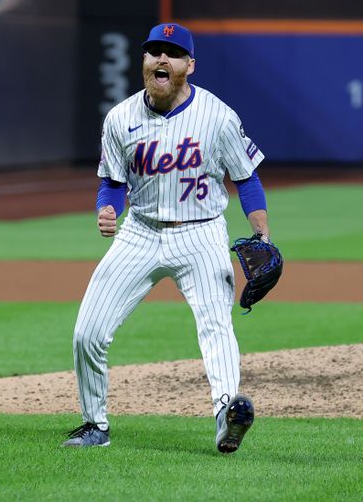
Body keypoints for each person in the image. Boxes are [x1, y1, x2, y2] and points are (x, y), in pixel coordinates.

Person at [63, 23, 270, 453]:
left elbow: (247, 179)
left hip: (201, 233)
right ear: (143, 61)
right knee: (87, 332)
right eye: (154, 51)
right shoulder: (120, 119)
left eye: (173, 53)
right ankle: (93, 425)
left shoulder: (217, 116)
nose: (161, 59)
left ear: (189, 66)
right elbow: (112, 183)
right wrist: (108, 210)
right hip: (139, 233)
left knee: (216, 327)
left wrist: (261, 234)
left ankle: (226, 417)